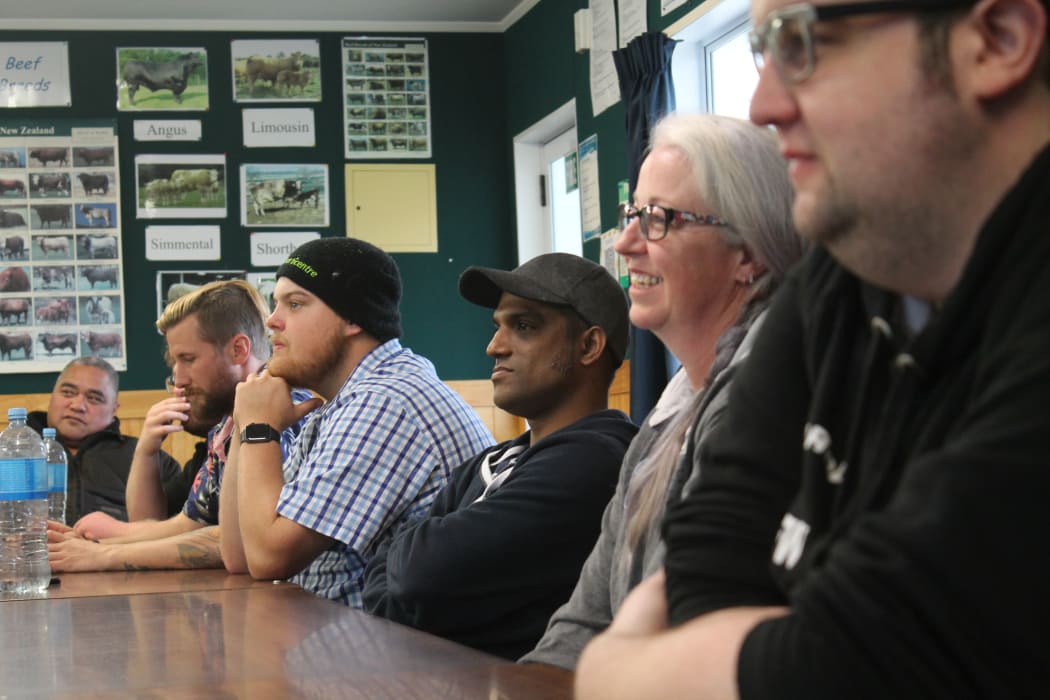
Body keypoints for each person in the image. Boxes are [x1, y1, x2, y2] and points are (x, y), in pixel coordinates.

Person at [575, 0, 1050, 697]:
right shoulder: (842, 276)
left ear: (997, 38)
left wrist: (627, 675)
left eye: (803, 43)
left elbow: (866, 658)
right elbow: (709, 566)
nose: (764, 105)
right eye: (765, 50)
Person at [524, 113, 804, 669]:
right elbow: (583, 620)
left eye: (659, 220)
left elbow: (694, 647)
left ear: (748, 252)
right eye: (633, 215)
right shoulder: (664, 418)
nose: (625, 243)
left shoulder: (774, 401)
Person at [361, 253, 639, 660]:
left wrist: (410, 562)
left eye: (523, 327)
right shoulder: (488, 461)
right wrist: (412, 568)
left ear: (589, 345)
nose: (494, 347)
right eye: (498, 327)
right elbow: (385, 594)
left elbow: (421, 575)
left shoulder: (595, 461)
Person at [219, 237, 494, 606]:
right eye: (275, 303)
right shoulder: (338, 404)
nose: (272, 320)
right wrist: (246, 423)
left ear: (352, 318)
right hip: (353, 638)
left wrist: (258, 428)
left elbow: (270, 558)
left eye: (295, 304)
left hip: (411, 655)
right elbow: (239, 557)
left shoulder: (385, 401)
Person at [47, 280, 306, 571]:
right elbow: (190, 523)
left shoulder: (284, 410)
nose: (178, 379)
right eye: (175, 362)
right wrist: (91, 548)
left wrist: (102, 555)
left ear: (239, 350)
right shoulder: (226, 424)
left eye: (188, 359)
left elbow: (241, 542)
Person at [29, 356, 183, 525]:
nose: (77, 406)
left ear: (113, 409)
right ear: (52, 396)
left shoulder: (151, 460)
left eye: (94, 398)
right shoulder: (11, 451)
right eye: (67, 392)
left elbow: (176, 531)